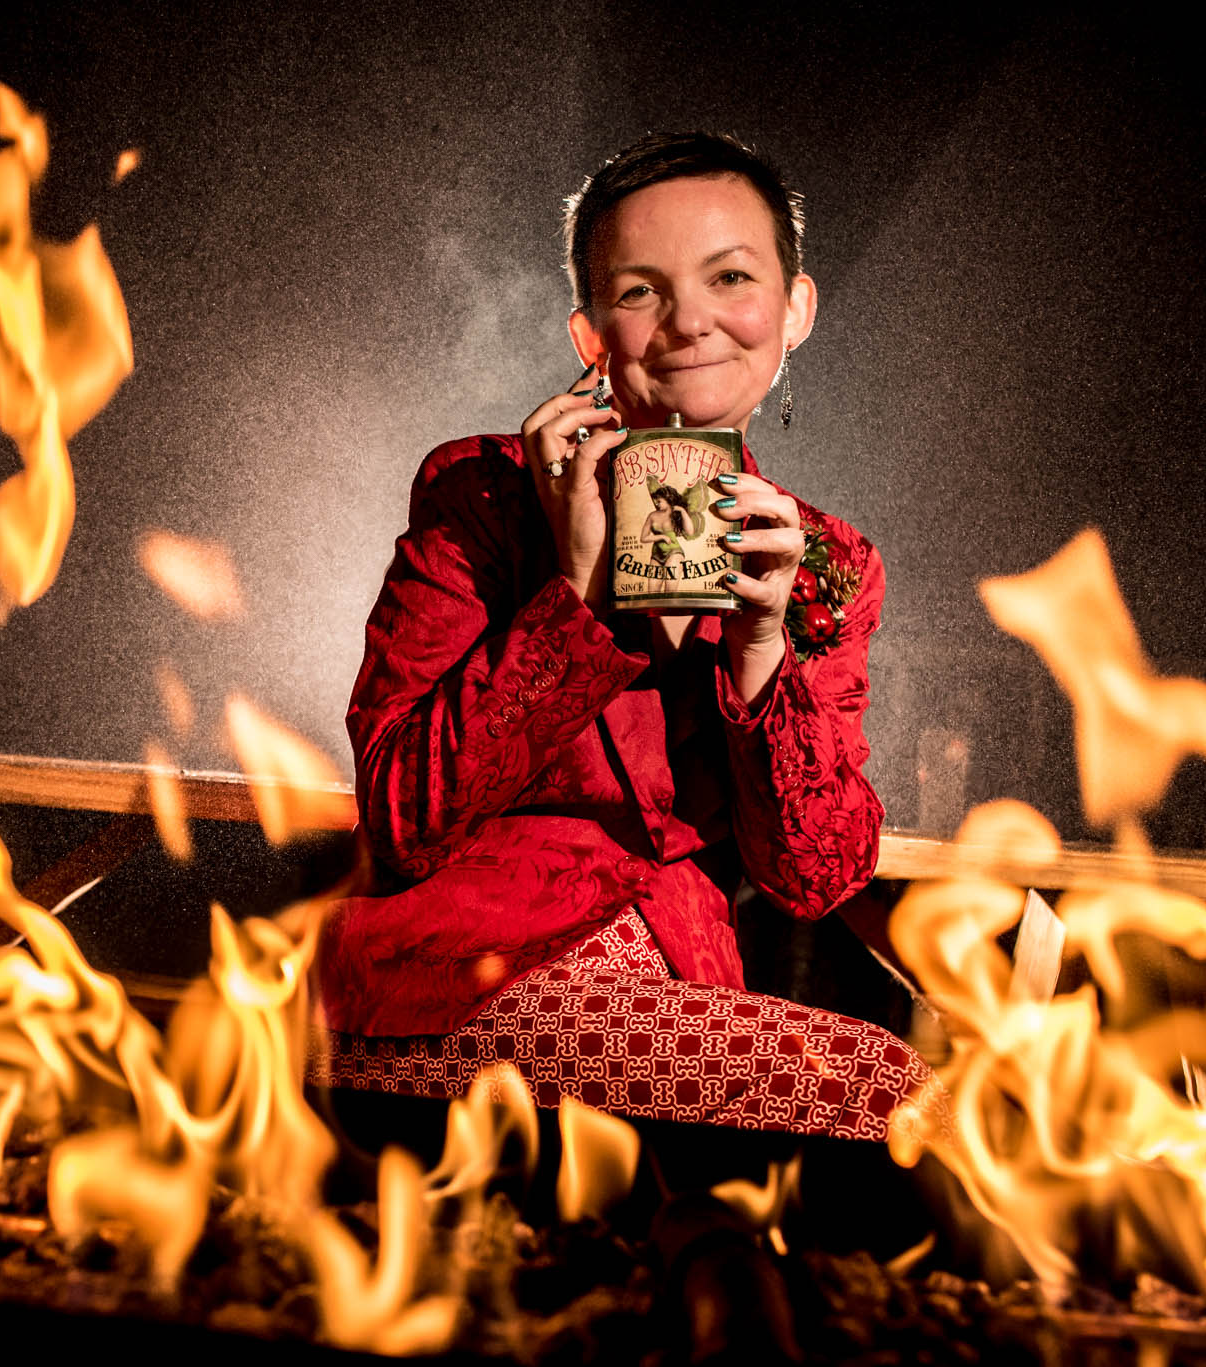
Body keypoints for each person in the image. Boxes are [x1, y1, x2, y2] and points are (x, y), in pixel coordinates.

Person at [309, 132, 932, 1143]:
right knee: (880, 1090)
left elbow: (813, 873)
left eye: (729, 277)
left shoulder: (822, 561)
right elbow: (399, 815)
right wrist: (576, 588)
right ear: (590, 333)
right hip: (451, 987)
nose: (689, 321)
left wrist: (761, 646)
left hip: (676, 1000)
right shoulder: (480, 494)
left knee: (895, 1129)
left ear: (793, 309)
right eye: (639, 291)